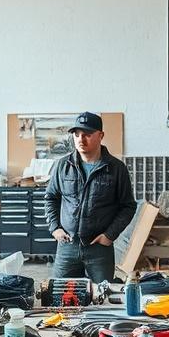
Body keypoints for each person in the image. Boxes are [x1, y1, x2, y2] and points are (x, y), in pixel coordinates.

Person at [44, 112, 135, 283]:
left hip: (99, 248)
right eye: (76, 134)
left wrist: (109, 235)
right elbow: (51, 198)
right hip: (67, 246)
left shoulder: (116, 168)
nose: (80, 139)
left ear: (101, 135)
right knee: (61, 295)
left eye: (87, 134)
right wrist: (55, 227)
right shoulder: (63, 166)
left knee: (103, 297)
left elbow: (128, 206)